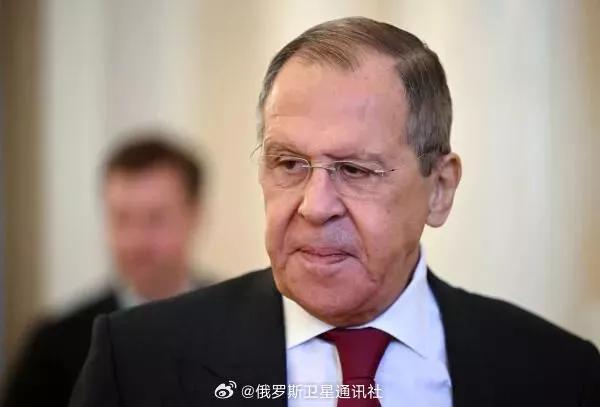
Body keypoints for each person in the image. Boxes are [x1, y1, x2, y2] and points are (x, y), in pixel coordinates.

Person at [69, 17, 600, 407]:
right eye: (289, 163)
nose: (315, 206)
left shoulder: (557, 375)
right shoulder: (137, 361)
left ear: (439, 189)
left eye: (355, 170)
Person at [2, 130, 209, 407]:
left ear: (195, 215)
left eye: (155, 219)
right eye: (121, 218)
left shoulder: (242, 326)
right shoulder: (55, 347)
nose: (135, 241)